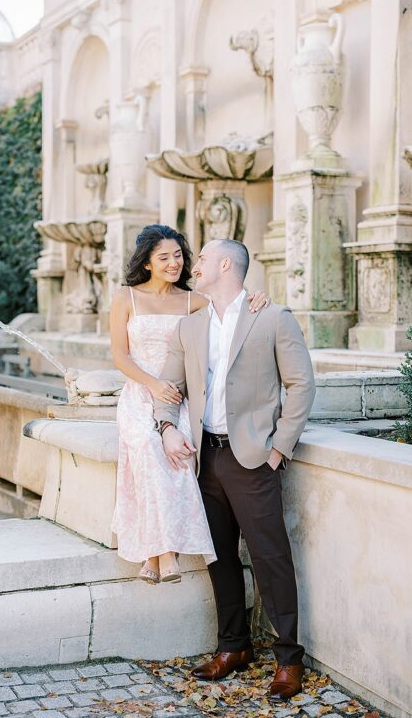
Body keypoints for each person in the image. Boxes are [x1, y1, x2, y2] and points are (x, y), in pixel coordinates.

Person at [153, 239, 316, 703]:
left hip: (253, 458)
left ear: (225, 265)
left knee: (270, 558)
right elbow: (169, 387)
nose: (193, 263)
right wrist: (165, 428)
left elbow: (300, 384)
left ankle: (288, 659)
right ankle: (234, 647)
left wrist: (278, 450)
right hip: (205, 458)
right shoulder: (190, 327)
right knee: (219, 557)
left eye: (201, 258)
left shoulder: (272, 317)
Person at [109, 224, 269, 584]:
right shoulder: (126, 298)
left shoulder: (192, 300)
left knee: (179, 448)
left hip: (179, 397)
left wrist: (260, 298)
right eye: (164, 257)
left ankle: (155, 556)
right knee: (149, 446)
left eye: (179, 255)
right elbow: (119, 356)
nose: (174, 263)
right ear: (147, 262)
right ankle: (165, 553)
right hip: (140, 392)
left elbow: (234, 305)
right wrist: (153, 385)